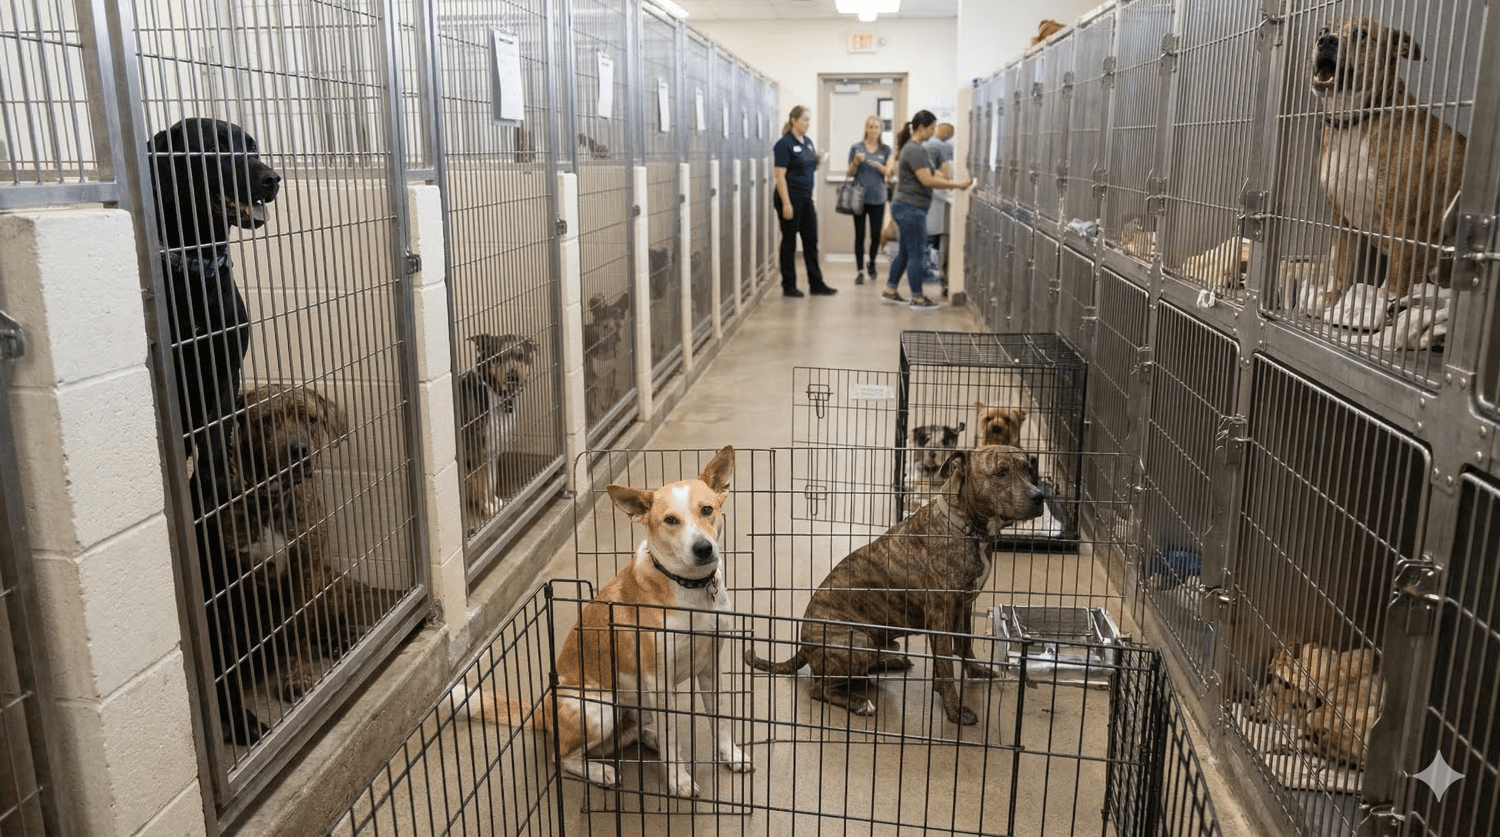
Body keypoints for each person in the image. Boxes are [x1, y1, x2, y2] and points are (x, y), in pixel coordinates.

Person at [882, 111, 972, 310]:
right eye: (931, 128)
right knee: (916, 254)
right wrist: (956, 185)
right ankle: (918, 297)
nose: (933, 132)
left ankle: (890, 290)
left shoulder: (915, 148)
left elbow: (927, 173)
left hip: (907, 206)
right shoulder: (914, 149)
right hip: (910, 209)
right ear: (921, 128)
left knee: (906, 252)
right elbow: (926, 180)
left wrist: (937, 173)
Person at [773, 105, 837, 297]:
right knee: (790, 242)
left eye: (809, 120)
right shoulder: (783, 144)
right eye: (805, 120)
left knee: (811, 240)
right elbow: (780, 176)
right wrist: (786, 203)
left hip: (806, 198)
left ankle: (816, 284)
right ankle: (789, 285)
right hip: (789, 198)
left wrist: (818, 159)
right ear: (794, 120)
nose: (808, 123)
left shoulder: (807, 142)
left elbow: (808, 167)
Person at [846, 115, 893, 285]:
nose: (873, 130)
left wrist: (882, 168)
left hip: (878, 199)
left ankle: (871, 263)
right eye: (870, 126)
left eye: (876, 127)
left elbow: (890, 173)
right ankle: (859, 271)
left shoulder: (886, 150)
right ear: (866, 128)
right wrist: (856, 163)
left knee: (875, 236)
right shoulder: (856, 148)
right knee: (859, 235)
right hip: (859, 198)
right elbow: (849, 174)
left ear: (881, 130)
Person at [923, 122, 955, 295]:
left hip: (933, 197)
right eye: (949, 132)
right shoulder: (940, 146)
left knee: (931, 238)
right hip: (936, 196)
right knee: (933, 239)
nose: (949, 135)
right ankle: (929, 269)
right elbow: (944, 171)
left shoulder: (929, 145)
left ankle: (929, 269)